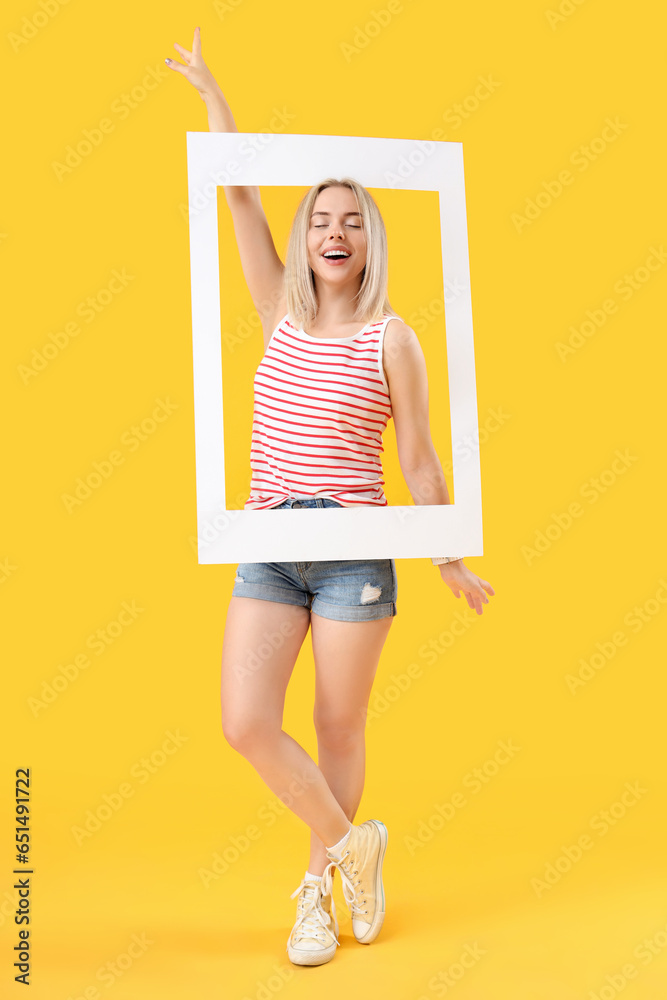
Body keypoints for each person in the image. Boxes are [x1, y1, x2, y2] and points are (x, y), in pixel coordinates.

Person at [167, 27, 495, 967]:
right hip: (269, 539)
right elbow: (236, 189)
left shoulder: (395, 338)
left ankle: (315, 893)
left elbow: (422, 463)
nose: (333, 233)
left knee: (335, 724)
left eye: (350, 220)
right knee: (244, 723)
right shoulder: (278, 306)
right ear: (304, 236)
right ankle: (358, 848)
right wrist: (212, 97)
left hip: (355, 544)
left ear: (369, 237)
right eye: (319, 219)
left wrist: (447, 554)